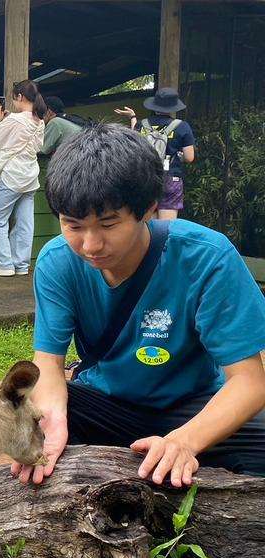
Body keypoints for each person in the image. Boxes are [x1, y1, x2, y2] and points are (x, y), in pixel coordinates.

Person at [16, 123, 265, 489]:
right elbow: (49, 364)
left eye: (108, 223)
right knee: (35, 418)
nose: (89, 245)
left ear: (148, 209)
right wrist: (52, 417)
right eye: (72, 225)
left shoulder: (207, 258)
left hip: (193, 404)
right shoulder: (56, 262)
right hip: (107, 403)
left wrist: (184, 442)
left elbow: (250, 381)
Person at [0, 80, 46, 277]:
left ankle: (3, 264)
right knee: (25, 222)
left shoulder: (16, 120)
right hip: (30, 176)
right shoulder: (39, 121)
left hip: (11, 175)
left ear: (20, 97)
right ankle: (21, 264)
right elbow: (38, 147)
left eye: (14, 97)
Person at [114, 87, 196, 220]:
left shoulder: (142, 124)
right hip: (170, 178)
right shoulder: (182, 126)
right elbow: (189, 157)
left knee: (149, 225)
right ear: (173, 107)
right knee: (165, 227)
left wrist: (133, 117)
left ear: (155, 106)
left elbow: (135, 139)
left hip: (147, 177)